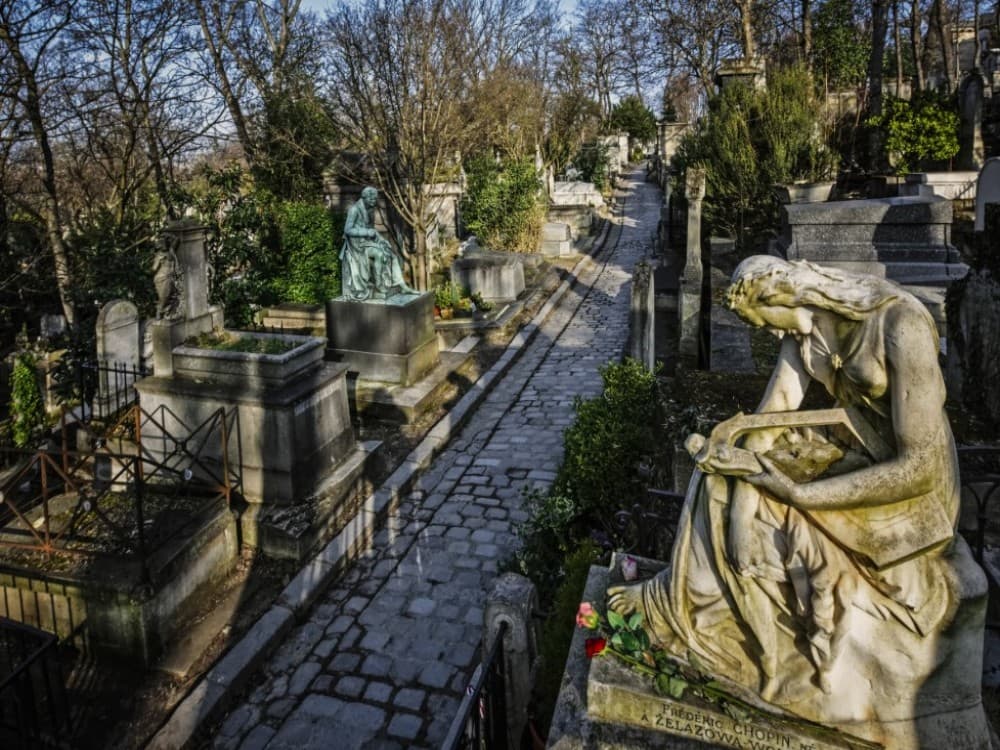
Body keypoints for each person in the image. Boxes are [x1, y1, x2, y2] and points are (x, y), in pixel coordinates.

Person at [608, 256, 988, 747]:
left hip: (911, 492)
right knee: (718, 475)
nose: (767, 336)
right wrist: (740, 491)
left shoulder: (901, 324)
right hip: (857, 454)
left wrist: (802, 494)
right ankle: (677, 607)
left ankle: (774, 653)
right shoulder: (804, 336)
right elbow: (771, 417)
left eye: (763, 323)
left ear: (785, 298)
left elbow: (917, 466)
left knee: (777, 500)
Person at [340, 187, 417, 300]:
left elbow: (373, 229)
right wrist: (366, 232)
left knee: (391, 254)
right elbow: (347, 230)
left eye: (375, 199)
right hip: (357, 245)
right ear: (365, 198)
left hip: (367, 241)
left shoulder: (370, 210)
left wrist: (382, 239)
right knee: (379, 254)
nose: (374, 202)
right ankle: (380, 286)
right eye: (372, 199)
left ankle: (401, 285)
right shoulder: (354, 210)